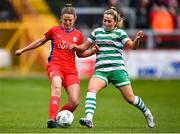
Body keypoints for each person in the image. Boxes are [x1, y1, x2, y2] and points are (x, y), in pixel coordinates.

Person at [15, 3, 97, 128]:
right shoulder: (54, 30)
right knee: (56, 88)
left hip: (71, 70)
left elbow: (80, 54)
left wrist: (92, 52)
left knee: (74, 102)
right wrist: (23, 50)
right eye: (65, 20)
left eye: (70, 20)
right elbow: (40, 41)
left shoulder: (78, 35)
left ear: (75, 19)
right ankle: (52, 120)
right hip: (55, 66)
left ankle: (59, 118)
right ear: (61, 19)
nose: (67, 22)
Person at [72, 6, 155, 128]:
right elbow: (84, 47)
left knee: (131, 99)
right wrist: (74, 46)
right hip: (101, 71)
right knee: (91, 90)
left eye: (109, 21)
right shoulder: (97, 32)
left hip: (117, 70)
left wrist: (137, 39)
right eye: (104, 20)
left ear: (115, 22)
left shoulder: (120, 33)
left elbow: (133, 46)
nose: (106, 23)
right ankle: (89, 118)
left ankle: (147, 113)